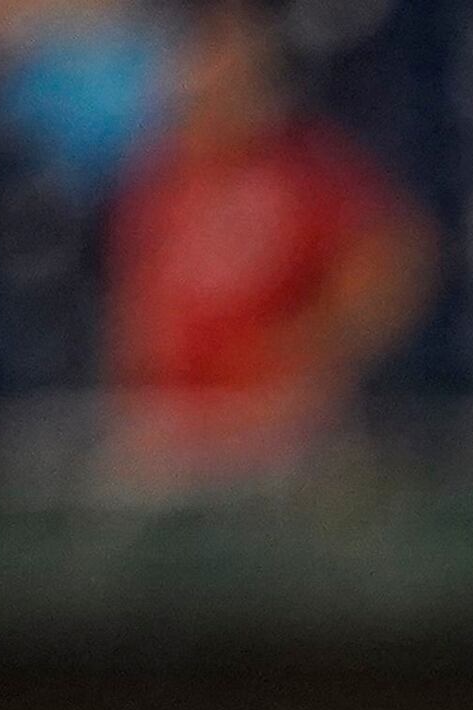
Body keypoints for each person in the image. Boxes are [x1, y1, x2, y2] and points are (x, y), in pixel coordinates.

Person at [105, 2, 429, 480]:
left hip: (279, 435)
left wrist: (310, 353)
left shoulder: (305, 168)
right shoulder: (157, 180)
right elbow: (135, 306)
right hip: (174, 433)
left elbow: (397, 261)